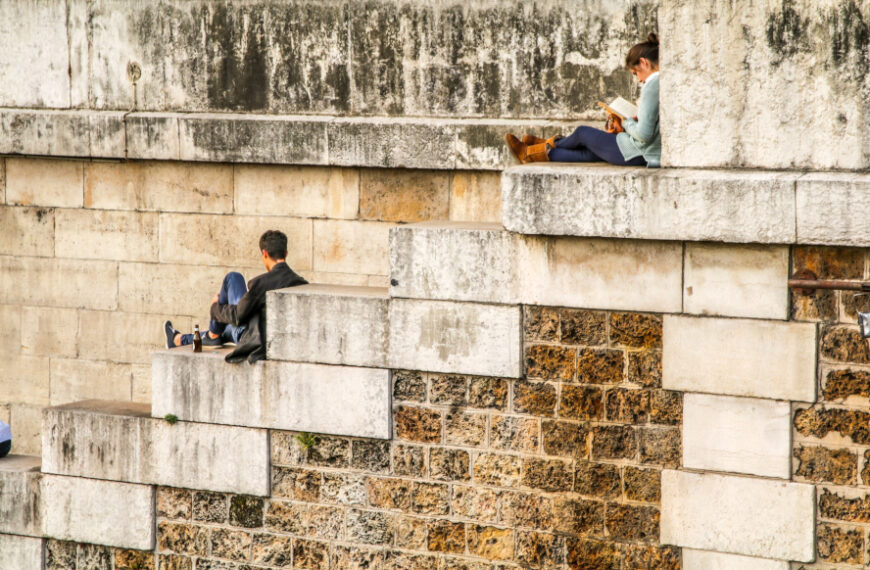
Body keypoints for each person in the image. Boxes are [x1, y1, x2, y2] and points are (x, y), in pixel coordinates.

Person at [505, 33, 661, 168]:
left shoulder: (652, 85)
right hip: (647, 154)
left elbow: (644, 135)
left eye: (635, 73)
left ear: (644, 63)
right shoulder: (664, 80)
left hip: (638, 151)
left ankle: (540, 147)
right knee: (588, 153)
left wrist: (626, 121)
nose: (639, 79)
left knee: (582, 133)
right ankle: (533, 154)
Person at [164, 230, 308, 363]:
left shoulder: (261, 283)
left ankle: (204, 335)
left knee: (232, 279)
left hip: (253, 338)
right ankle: (185, 338)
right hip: (272, 337)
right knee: (224, 330)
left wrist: (215, 308)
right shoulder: (301, 283)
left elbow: (238, 317)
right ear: (286, 253)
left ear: (264, 253)